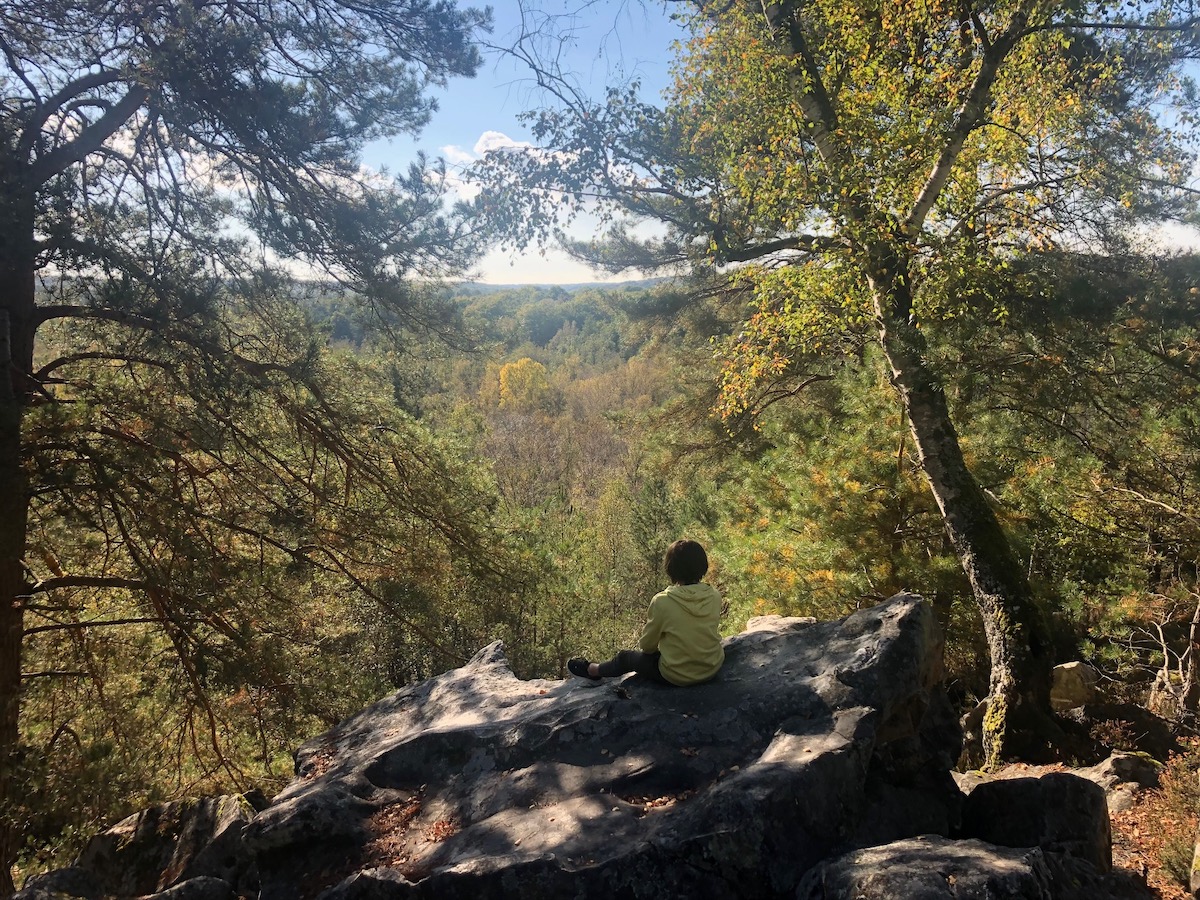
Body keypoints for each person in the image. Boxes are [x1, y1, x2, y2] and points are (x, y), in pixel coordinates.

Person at [568, 539, 724, 686]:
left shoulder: (663, 601)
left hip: (676, 676)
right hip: (711, 668)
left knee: (625, 658)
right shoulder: (714, 595)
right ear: (703, 565)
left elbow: (647, 646)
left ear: (670, 568)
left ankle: (592, 671)